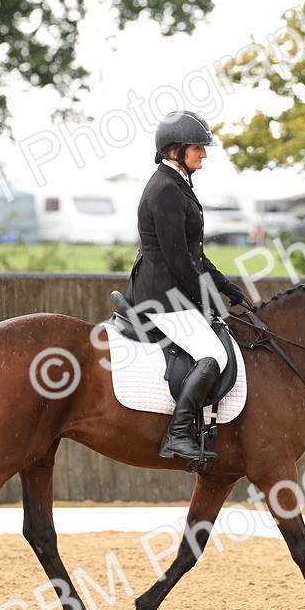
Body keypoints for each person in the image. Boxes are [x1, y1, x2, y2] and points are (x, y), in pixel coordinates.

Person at [125, 110, 250, 462]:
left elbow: (194, 252)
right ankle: (177, 435)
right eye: (198, 148)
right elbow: (179, 260)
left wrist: (225, 286)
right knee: (213, 356)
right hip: (161, 297)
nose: (204, 154)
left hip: (171, 291)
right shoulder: (165, 190)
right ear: (175, 149)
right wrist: (204, 297)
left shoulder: (178, 185)